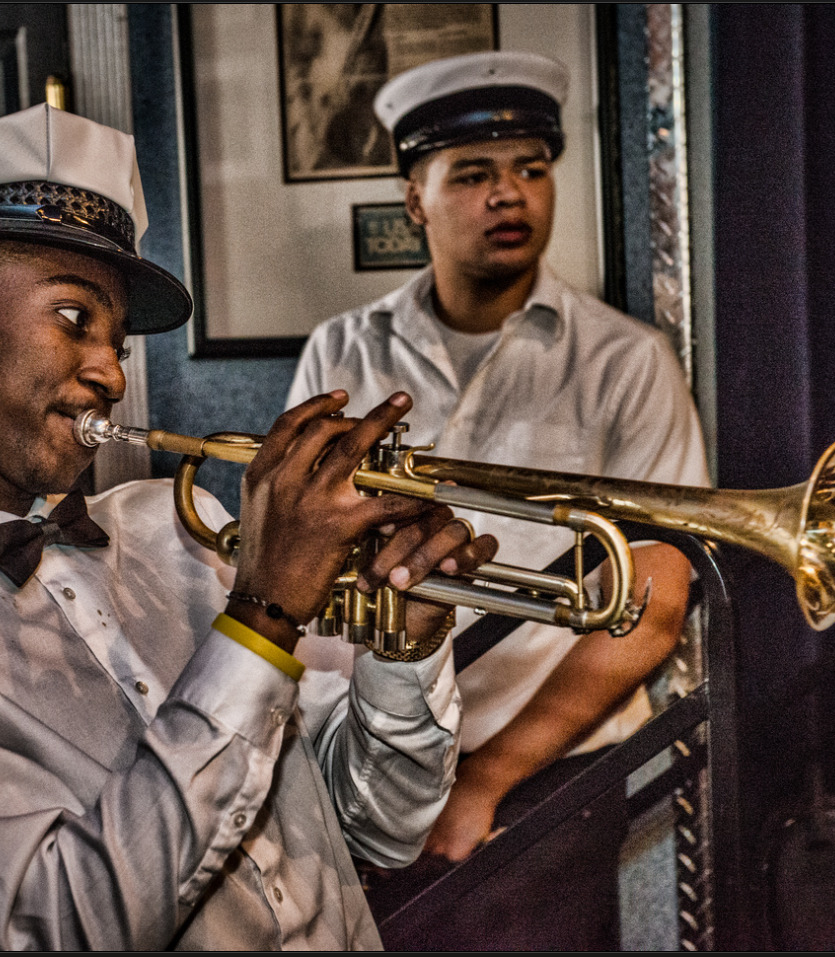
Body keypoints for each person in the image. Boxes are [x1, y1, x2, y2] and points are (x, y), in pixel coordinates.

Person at [0, 103, 498, 951]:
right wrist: (259, 616)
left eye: (117, 339)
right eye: (74, 319)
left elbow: (381, 829)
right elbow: (70, 921)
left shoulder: (179, 524)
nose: (111, 370)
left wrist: (401, 656)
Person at [287, 50, 711, 949]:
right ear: (414, 200)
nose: (510, 195)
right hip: (367, 752)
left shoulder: (626, 363)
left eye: (530, 169)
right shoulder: (342, 351)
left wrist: (482, 781)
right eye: (473, 174)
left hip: (546, 778)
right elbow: (308, 557)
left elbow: (654, 602)